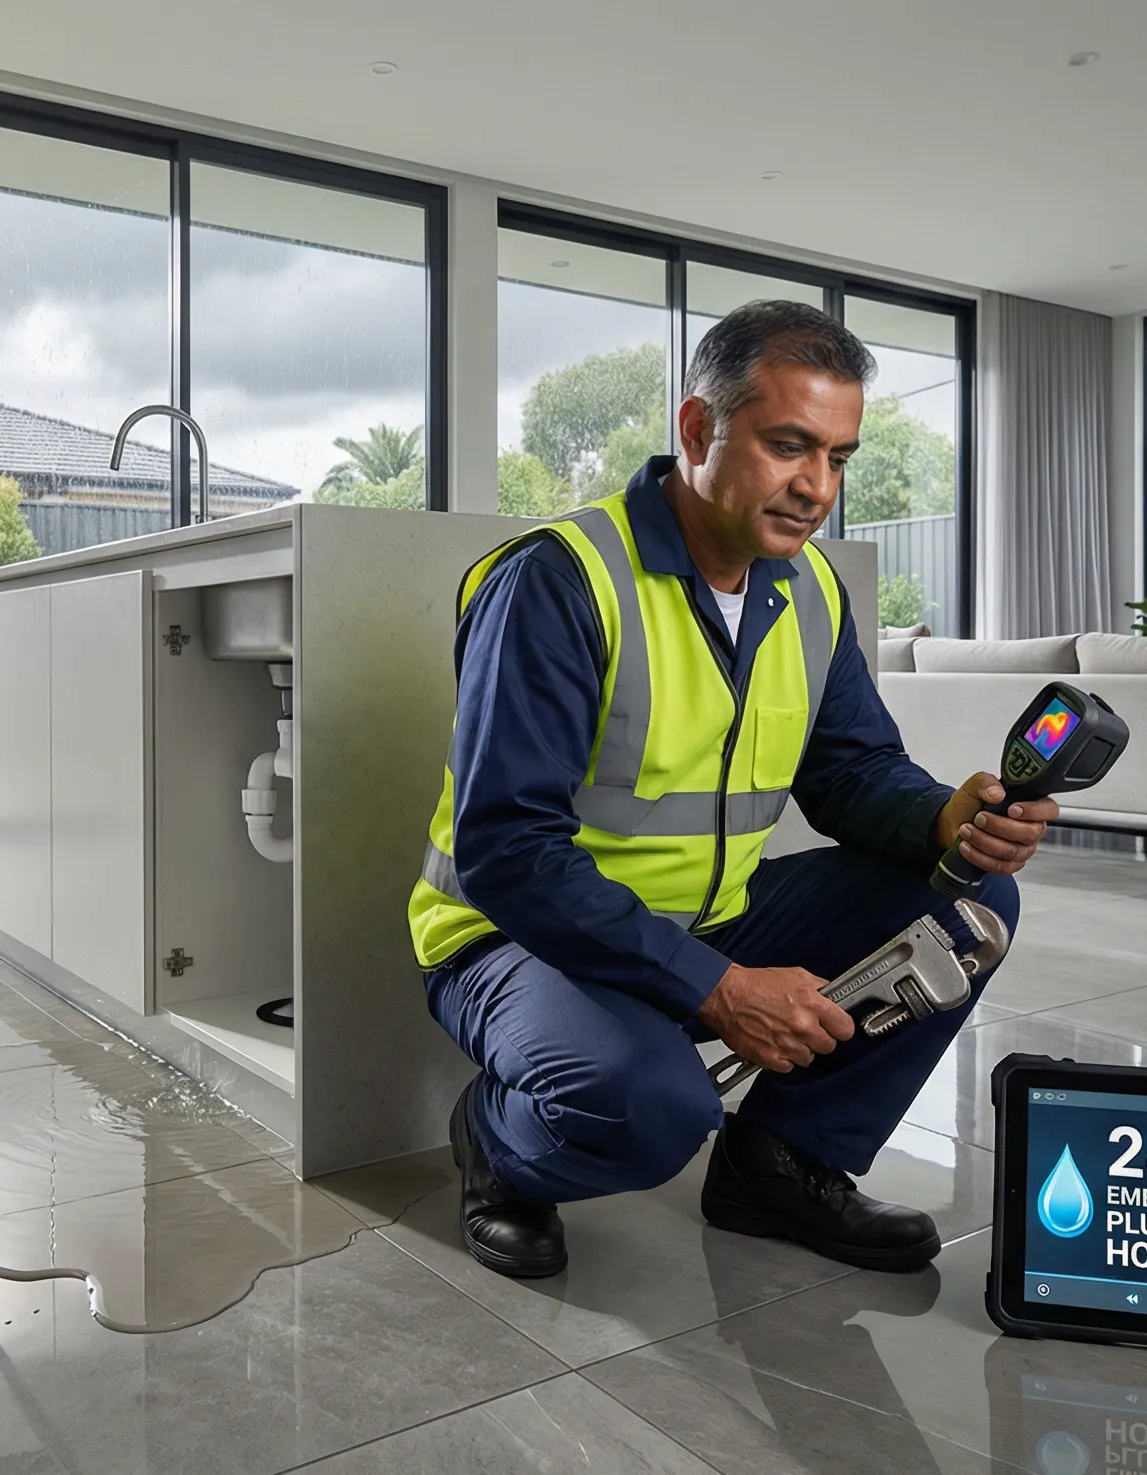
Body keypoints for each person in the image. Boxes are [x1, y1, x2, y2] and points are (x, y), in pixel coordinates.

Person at [406, 300, 1055, 1279]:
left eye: (838, 457)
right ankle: (498, 1148)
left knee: (969, 902)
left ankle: (784, 1164)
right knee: (655, 1105)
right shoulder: (560, 582)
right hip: (513, 943)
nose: (816, 487)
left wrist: (939, 818)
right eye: (789, 445)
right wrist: (716, 989)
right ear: (697, 430)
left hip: (706, 921)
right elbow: (509, 852)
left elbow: (848, 771)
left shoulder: (810, 593)